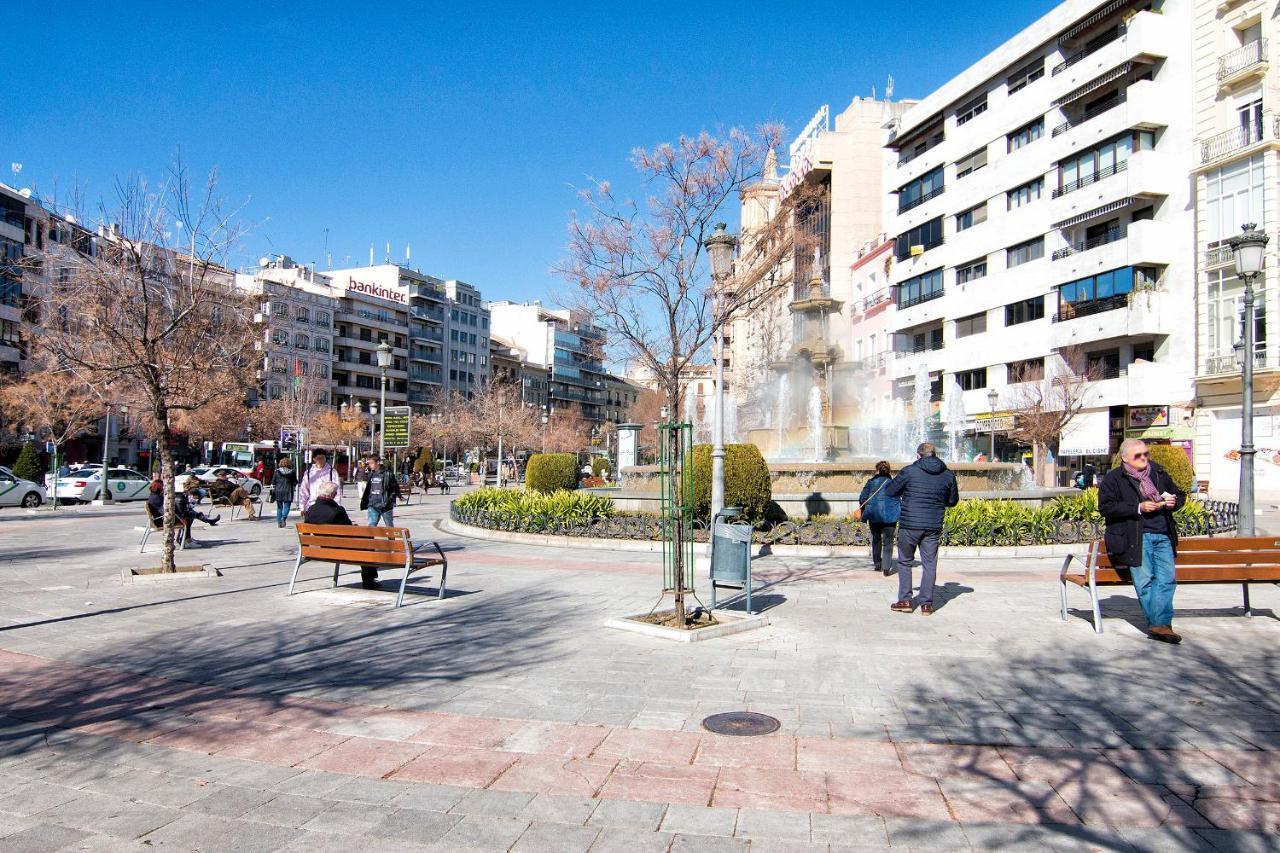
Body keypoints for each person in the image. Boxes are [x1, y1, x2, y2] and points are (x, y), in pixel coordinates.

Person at [1098, 438, 1186, 644]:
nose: (1144, 458)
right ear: (1125, 458)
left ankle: (1159, 624)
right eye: (1138, 455)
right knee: (1144, 581)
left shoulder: (1158, 472)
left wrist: (1174, 501)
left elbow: (1179, 494)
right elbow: (1106, 507)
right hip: (1134, 536)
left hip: (1163, 532)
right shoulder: (1114, 478)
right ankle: (1161, 624)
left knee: (1167, 579)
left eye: (1146, 453)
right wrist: (1139, 507)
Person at [886, 442, 960, 615]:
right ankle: (926, 604)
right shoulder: (948, 474)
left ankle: (905, 600)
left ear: (918, 455)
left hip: (910, 524)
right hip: (933, 525)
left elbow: (891, 491)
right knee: (929, 564)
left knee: (904, 561)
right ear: (934, 455)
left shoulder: (909, 471)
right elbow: (952, 501)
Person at [858, 461, 901, 575]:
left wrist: (865, 511)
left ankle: (877, 564)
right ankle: (886, 568)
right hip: (890, 516)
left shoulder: (871, 482)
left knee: (876, 539)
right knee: (888, 542)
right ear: (889, 471)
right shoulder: (894, 483)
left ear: (877, 470)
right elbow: (899, 499)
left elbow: (863, 497)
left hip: (874, 515)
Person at [147, 480, 219, 545]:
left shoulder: (155, 496)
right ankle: (187, 540)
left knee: (188, 513)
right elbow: (164, 511)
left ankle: (187, 539)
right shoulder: (156, 498)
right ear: (159, 487)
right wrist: (180, 516)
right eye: (163, 486)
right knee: (188, 516)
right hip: (163, 521)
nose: (165, 488)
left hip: (163, 519)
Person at [271, 457, 298, 528]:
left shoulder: (277, 471)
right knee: (287, 506)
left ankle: (279, 522)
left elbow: (273, 482)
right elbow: (295, 482)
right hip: (288, 491)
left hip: (278, 491)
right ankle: (283, 518)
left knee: (279, 508)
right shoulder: (292, 472)